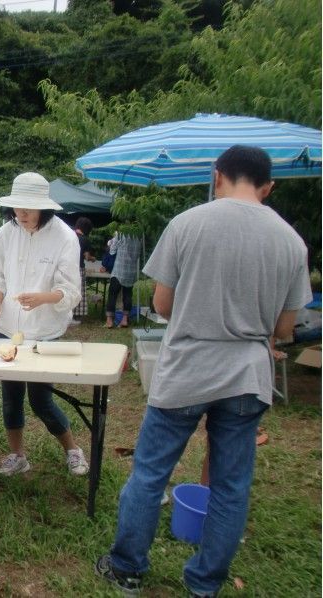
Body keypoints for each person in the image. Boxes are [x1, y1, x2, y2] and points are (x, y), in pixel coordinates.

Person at [96, 146, 312, 597]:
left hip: (187, 369)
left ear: (218, 177)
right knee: (231, 488)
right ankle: (204, 585)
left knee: (151, 473)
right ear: (268, 187)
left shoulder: (187, 224)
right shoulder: (291, 241)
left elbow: (161, 304)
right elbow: (285, 329)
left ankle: (127, 567)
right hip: (247, 376)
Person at [0, 172, 89, 477]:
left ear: (45, 208)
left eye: (29, 208)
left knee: (41, 399)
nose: (23, 214)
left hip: (45, 330)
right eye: (18, 208)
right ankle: (17, 455)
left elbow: (70, 290)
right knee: (10, 398)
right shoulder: (6, 232)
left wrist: (43, 297)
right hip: (9, 327)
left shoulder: (64, 237)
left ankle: (73, 449)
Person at [104, 232, 141, 329]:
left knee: (112, 294)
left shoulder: (120, 234)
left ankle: (109, 321)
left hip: (119, 270)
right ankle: (124, 319)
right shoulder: (139, 236)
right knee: (128, 295)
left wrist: (110, 242)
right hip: (131, 271)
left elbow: (112, 251)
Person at [73, 216, 95, 323]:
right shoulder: (84, 240)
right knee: (78, 291)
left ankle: (65, 315)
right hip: (79, 268)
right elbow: (87, 257)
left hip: (66, 267)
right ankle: (76, 317)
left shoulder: (69, 235)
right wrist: (92, 258)